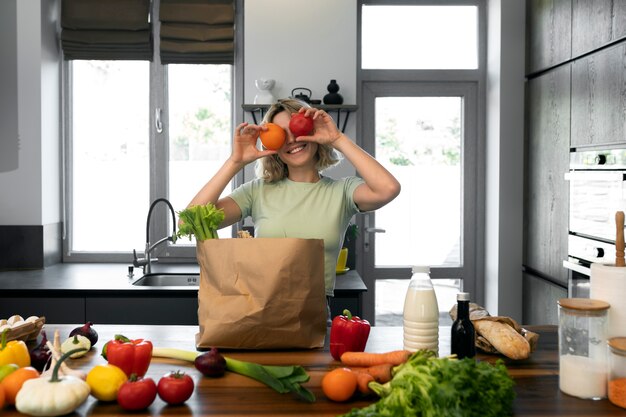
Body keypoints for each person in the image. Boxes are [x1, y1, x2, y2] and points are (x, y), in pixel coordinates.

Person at [187, 98, 400, 317]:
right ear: (271, 145)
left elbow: (388, 188)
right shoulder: (257, 191)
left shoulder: (342, 192)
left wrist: (337, 138)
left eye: (296, 129)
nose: (290, 140)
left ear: (313, 132)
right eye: (280, 134)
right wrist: (235, 161)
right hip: (257, 312)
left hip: (313, 315)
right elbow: (189, 220)